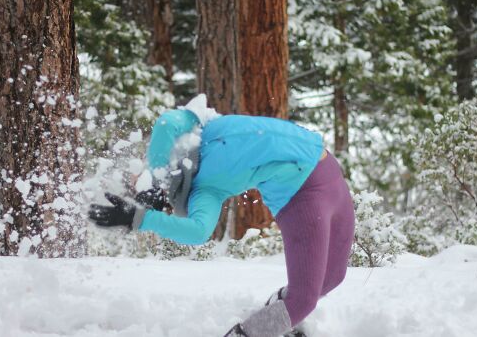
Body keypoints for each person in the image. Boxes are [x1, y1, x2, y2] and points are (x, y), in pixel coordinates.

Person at [88, 95, 355, 337]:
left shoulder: (203, 127)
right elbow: (197, 232)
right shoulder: (203, 191)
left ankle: (278, 315)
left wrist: (157, 177)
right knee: (304, 300)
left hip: (329, 170)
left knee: (334, 278)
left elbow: (168, 122)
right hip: (301, 197)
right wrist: (140, 218)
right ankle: (247, 334)